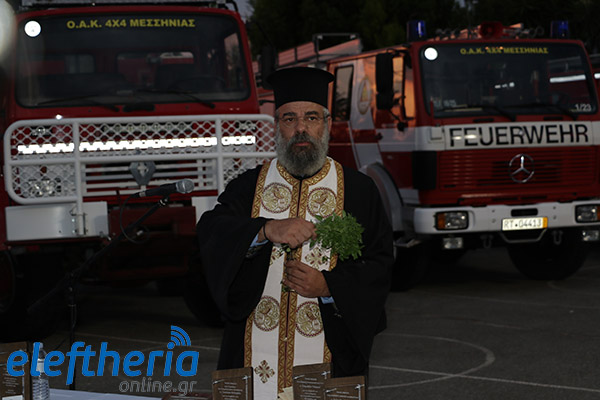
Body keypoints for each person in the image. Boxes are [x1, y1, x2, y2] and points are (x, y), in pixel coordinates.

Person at [197, 67, 393, 399]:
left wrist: (329, 287)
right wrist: (264, 229)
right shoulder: (248, 186)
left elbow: (380, 265)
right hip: (251, 353)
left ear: (327, 124)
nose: (301, 128)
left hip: (330, 351)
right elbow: (211, 232)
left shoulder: (359, 191)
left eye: (311, 117)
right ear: (277, 126)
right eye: (289, 118)